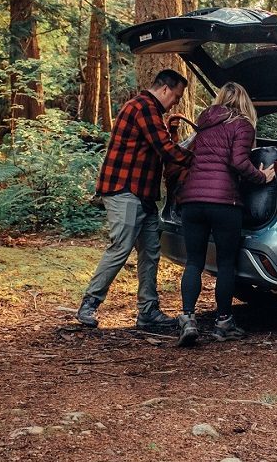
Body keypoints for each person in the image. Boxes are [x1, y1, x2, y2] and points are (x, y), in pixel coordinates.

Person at [77, 69, 193, 330]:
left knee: (151, 251)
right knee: (121, 246)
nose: (176, 102)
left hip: (144, 194)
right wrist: (203, 159)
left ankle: (148, 312)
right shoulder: (143, 107)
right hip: (124, 190)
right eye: (176, 96)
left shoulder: (150, 111)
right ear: (164, 89)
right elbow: (165, 150)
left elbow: (161, 148)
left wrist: (173, 132)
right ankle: (89, 304)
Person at [174, 82, 275, 346]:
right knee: (226, 263)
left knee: (194, 262)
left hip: (192, 200)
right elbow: (238, 162)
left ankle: (187, 319)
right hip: (223, 202)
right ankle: (223, 322)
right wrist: (262, 177)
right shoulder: (242, 125)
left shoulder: (204, 124)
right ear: (244, 103)